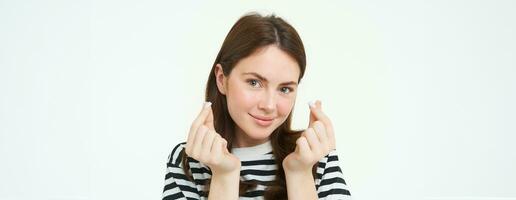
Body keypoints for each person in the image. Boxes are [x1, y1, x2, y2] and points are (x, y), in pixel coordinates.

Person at [162, 13, 352, 200]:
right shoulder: (189, 158)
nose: (269, 105)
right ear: (221, 79)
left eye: (285, 89)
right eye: (254, 83)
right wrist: (224, 175)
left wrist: (300, 174)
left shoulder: (315, 157)